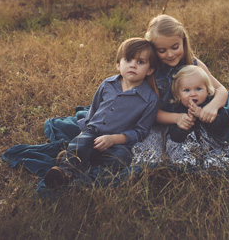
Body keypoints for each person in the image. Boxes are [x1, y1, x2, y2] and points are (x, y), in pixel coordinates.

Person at [44, 37, 159, 189]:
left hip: (116, 141)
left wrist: (114, 139)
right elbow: (94, 107)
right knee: (81, 142)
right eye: (129, 60)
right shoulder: (108, 84)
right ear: (118, 64)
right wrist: (86, 128)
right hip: (94, 131)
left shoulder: (149, 99)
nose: (133, 65)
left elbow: (141, 131)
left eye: (140, 62)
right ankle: (66, 172)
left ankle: (71, 158)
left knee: (122, 159)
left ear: (150, 70)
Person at [132, 14, 229, 170]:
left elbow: (221, 90)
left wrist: (212, 106)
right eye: (162, 50)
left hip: (194, 120)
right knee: (149, 159)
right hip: (164, 121)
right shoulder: (152, 73)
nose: (170, 54)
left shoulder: (194, 64)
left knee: (210, 148)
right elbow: (153, 112)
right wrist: (178, 117)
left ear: (183, 42)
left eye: (175, 47)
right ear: (152, 49)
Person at [167, 65, 229, 174]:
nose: (193, 94)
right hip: (195, 151)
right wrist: (185, 126)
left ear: (208, 90)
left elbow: (224, 125)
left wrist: (205, 115)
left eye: (198, 89)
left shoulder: (212, 105)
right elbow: (175, 136)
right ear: (178, 94)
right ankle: (201, 169)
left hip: (220, 145)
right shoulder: (179, 111)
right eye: (186, 90)